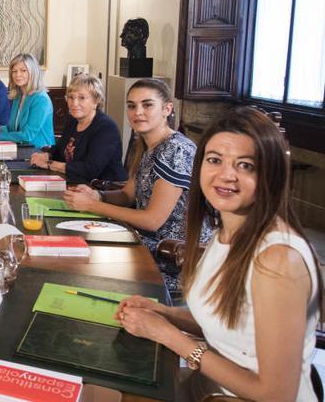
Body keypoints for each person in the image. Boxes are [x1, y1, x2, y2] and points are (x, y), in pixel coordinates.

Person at [116, 107, 322, 401]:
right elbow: (230, 326)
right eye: (214, 160)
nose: (226, 175)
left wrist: (170, 336)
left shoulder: (277, 261)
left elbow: (277, 394)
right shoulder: (226, 233)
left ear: (271, 174)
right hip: (208, 388)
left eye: (246, 165)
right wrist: (165, 314)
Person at [62, 78, 208, 292]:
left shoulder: (176, 150)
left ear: (167, 109)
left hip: (172, 258)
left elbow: (152, 220)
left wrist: (92, 206)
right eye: (131, 106)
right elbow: (128, 196)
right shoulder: (146, 144)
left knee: (78, 267)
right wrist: (97, 196)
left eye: (147, 105)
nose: (137, 112)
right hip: (140, 241)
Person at [30, 74, 127, 184]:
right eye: (71, 97)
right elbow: (60, 150)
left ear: (96, 101)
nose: (74, 103)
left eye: (82, 98)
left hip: (105, 190)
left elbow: (90, 169)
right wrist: (46, 155)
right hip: (76, 183)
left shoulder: (106, 128)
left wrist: (49, 164)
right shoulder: (73, 121)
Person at [0, 53, 54, 147]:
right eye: (14, 71)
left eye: (23, 70)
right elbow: (11, 128)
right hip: (19, 147)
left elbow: (27, 135)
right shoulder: (18, 95)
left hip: (38, 151)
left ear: (33, 72)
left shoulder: (41, 99)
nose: (18, 75)